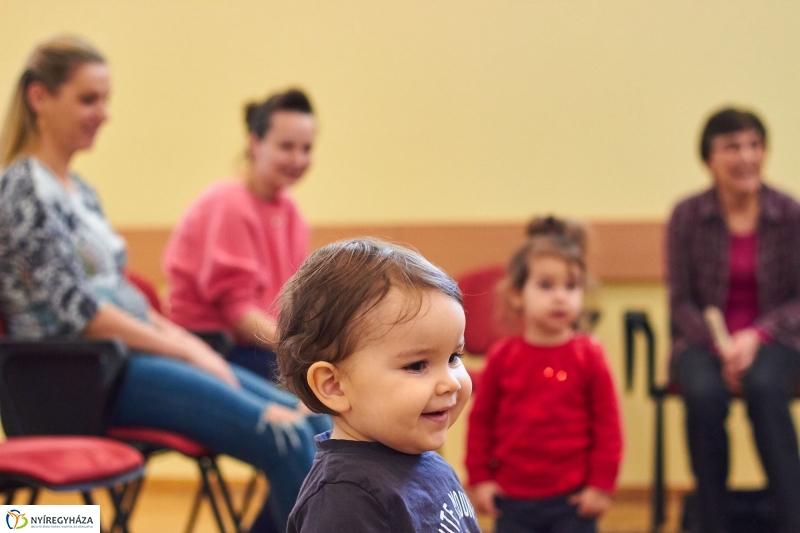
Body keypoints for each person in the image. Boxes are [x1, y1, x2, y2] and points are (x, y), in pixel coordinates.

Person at [0, 35, 329, 533]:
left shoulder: (78, 190)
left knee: (314, 424)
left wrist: (190, 349)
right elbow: (80, 312)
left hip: (124, 357)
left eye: (105, 100)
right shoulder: (22, 188)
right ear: (39, 98)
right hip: (77, 375)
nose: (103, 113)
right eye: (88, 99)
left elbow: (125, 299)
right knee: (282, 436)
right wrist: (189, 351)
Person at [275, 238, 480, 533]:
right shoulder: (345, 497)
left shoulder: (425, 462)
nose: (449, 382)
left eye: (453, 357)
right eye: (417, 365)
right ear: (334, 386)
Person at [667, 107, 800, 533]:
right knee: (703, 393)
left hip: (776, 339)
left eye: (754, 145)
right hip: (703, 342)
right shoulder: (686, 215)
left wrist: (757, 336)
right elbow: (681, 301)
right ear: (709, 158)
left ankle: (791, 516)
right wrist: (719, 347)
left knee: (765, 386)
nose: (746, 156)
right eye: (732, 146)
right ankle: (712, 520)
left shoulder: (790, 213)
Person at [465, 216, 623, 533]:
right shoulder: (503, 356)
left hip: (574, 501)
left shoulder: (589, 354)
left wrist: (601, 485)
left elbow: (608, 425)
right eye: (546, 285)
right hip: (513, 501)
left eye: (571, 285)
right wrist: (480, 478)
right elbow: (481, 420)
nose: (561, 296)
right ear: (516, 294)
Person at [163, 88, 316, 382]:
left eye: (306, 148)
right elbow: (240, 315)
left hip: (261, 345)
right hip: (216, 348)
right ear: (255, 144)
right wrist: (304, 351)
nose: (298, 158)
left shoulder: (291, 212)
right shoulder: (229, 203)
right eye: (286, 147)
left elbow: (294, 302)